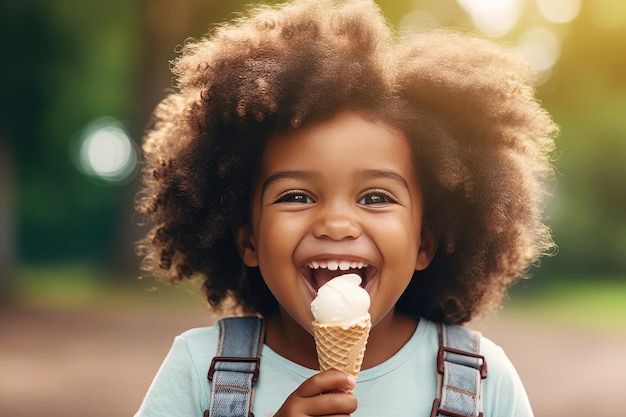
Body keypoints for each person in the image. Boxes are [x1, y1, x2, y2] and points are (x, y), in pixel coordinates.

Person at [133, 0, 557, 416]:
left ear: (424, 242)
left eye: (375, 197)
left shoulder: (483, 380)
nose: (336, 224)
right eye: (296, 196)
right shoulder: (199, 368)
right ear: (249, 240)